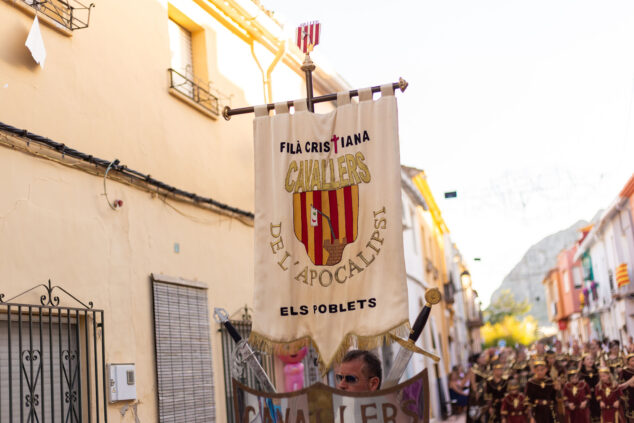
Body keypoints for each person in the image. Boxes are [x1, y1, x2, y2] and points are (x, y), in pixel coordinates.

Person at [579, 353, 601, 423]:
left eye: (591, 359)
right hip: (586, 398)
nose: (590, 360)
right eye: (588, 359)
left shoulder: (597, 372)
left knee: (598, 416)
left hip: (597, 396)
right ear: (583, 362)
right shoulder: (580, 374)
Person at [619, 353, 634, 422]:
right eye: (632, 360)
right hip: (630, 395)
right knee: (631, 414)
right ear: (628, 362)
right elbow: (622, 381)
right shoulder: (625, 371)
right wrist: (627, 384)